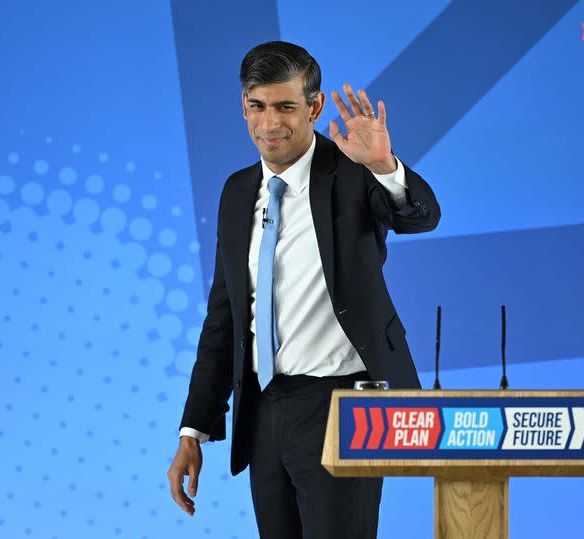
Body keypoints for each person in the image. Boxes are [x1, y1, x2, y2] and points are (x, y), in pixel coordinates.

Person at [167, 40, 440, 538]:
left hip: (344, 405)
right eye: (258, 106)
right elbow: (223, 318)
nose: (270, 124)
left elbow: (420, 216)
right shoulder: (235, 192)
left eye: (286, 107)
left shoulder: (353, 172)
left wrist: (384, 166)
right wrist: (193, 431)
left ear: (313, 107)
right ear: (243, 106)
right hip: (264, 411)